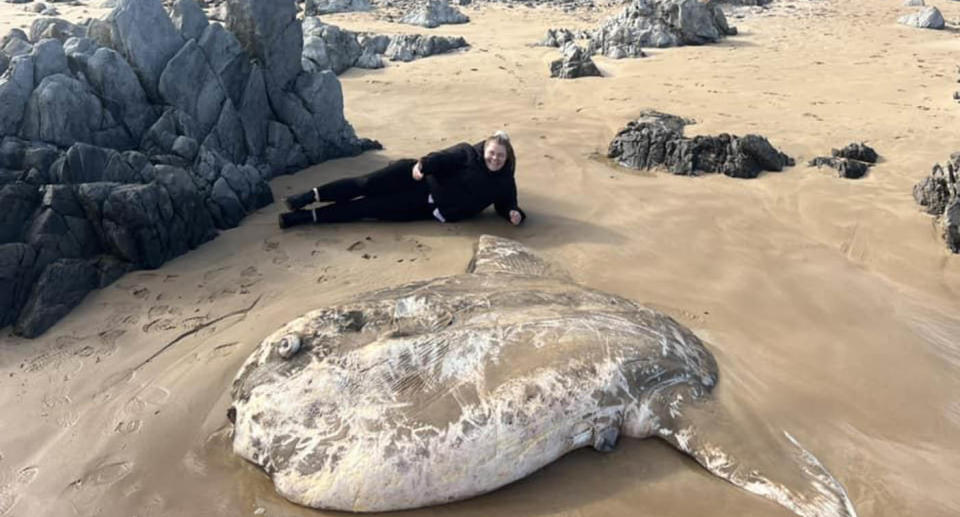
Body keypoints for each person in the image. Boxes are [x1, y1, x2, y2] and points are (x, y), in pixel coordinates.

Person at [278, 131, 526, 228]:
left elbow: (506, 203)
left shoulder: (504, 180)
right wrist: (423, 165)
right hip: (415, 177)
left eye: (500, 156)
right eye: (492, 153)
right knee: (364, 184)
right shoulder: (467, 153)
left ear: (507, 158)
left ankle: (304, 218)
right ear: (484, 150)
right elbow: (441, 158)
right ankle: (308, 197)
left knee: (367, 207)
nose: (494, 158)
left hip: (426, 207)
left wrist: (514, 213)